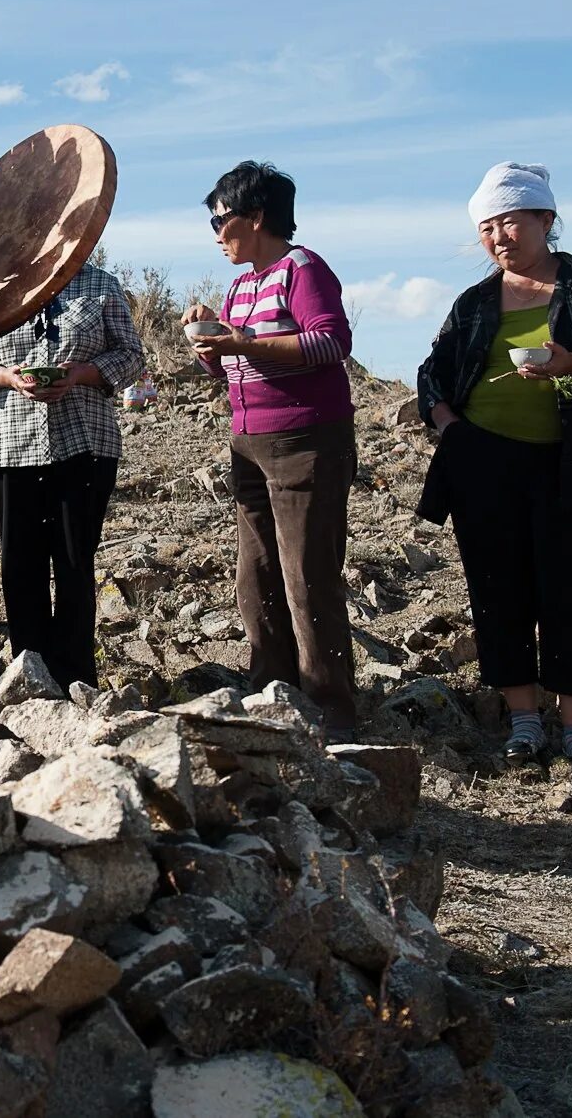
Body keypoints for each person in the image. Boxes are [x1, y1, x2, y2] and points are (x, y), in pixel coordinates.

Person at [416, 163, 572, 778]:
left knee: (571, 590)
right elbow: (431, 375)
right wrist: (449, 426)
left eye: (509, 222)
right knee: (498, 590)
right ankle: (522, 722)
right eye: (487, 228)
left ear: (545, 220)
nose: (498, 237)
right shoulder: (473, 303)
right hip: (485, 462)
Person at [182, 162, 359, 741]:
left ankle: (330, 708)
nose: (215, 232)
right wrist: (214, 343)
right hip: (249, 440)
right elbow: (236, 362)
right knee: (256, 572)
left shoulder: (301, 268)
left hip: (308, 439)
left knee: (307, 572)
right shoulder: (238, 285)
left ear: (256, 217)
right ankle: (271, 692)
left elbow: (331, 341)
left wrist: (241, 341)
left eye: (221, 218)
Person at [0, 258, 144, 689]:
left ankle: (77, 681)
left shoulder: (99, 283)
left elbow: (130, 356)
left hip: (85, 441)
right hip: (8, 443)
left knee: (74, 562)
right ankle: (31, 682)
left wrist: (81, 374)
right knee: (19, 566)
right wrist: (8, 377)